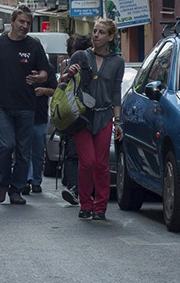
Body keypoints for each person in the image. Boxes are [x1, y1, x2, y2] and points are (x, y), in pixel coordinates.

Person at [62, 18, 124, 220]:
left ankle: (100, 208)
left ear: (111, 37)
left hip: (104, 115)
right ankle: (85, 203)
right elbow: (62, 81)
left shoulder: (117, 62)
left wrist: (117, 121)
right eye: (95, 31)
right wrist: (69, 74)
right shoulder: (81, 56)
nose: (96, 35)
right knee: (88, 162)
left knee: (102, 165)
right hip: (82, 116)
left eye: (101, 32)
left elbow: (116, 93)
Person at [0, 5, 49, 205]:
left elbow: (45, 72)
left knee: (25, 152)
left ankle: (16, 190)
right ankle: (3, 182)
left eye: (28, 23)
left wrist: (38, 78)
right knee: (7, 146)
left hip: (26, 106)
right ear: (12, 21)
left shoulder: (34, 45)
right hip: (1, 105)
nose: (25, 26)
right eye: (21, 22)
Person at [60, 34, 93, 206]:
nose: (76, 58)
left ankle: (86, 190)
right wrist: (68, 75)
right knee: (72, 153)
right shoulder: (67, 65)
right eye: (72, 54)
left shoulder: (94, 62)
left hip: (92, 113)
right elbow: (61, 85)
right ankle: (73, 188)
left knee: (90, 158)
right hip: (74, 114)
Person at [24, 60, 57, 194]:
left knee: (38, 152)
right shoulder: (22, 65)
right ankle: (26, 180)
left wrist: (44, 90)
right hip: (22, 115)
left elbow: (55, 90)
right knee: (23, 150)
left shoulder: (47, 68)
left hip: (40, 116)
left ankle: (36, 181)